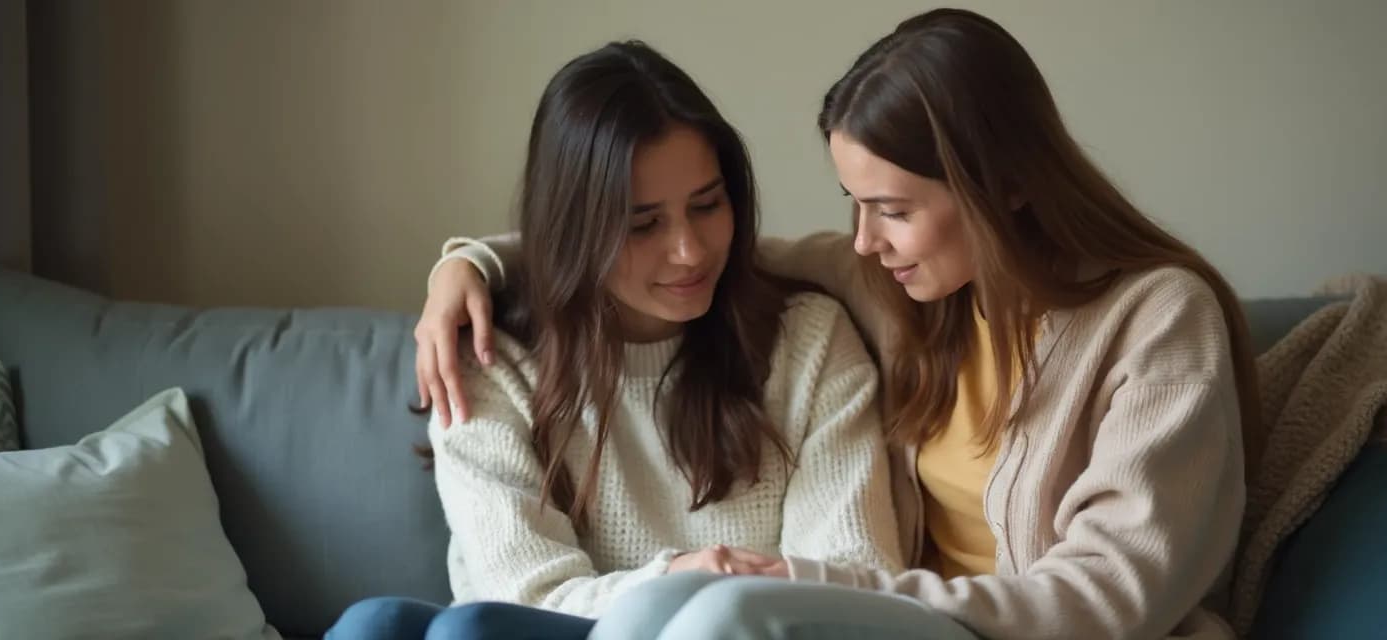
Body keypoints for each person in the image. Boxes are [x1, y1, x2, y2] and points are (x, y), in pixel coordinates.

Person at [419, 8, 1261, 640]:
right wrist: (471, 264)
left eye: (892, 209)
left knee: (724, 616)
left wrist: (817, 585)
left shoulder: (1156, 322)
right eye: (853, 206)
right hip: (891, 625)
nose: (863, 241)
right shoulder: (904, 288)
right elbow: (647, 258)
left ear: (1004, 184)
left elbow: (1109, 596)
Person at [326, 40, 904, 640]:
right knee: (378, 624)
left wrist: (701, 597)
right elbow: (525, 594)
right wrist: (679, 577)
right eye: (643, 224)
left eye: (707, 205)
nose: (690, 252)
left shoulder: (808, 342)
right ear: (577, 227)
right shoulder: (490, 357)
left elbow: (853, 585)